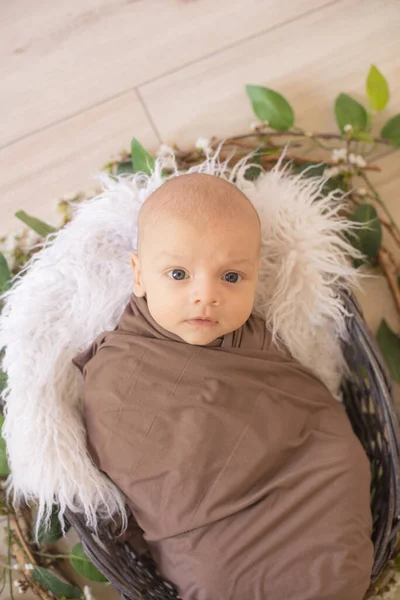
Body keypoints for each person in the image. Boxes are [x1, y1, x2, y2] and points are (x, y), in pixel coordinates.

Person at [73, 173, 373, 600]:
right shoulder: (120, 368)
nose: (206, 295)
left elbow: (303, 410)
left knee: (339, 462)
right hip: (209, 531)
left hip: (307, 479)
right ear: (138, 275)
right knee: (216, 577)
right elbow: (131, 453)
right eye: (178, 273)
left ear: (256, 276)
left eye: (231, 278)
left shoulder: (259, 341)